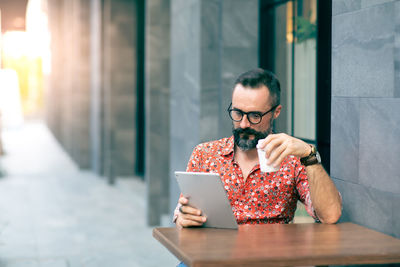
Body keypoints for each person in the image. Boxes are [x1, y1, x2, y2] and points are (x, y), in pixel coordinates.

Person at [174, 68, 342, 228]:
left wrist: (309, 155)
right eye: (237, 113)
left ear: (276, 112)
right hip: (213, 253)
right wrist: (183, 216)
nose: (244, 124)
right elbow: (183, 213)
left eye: (255, 116)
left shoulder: (293, 160)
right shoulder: (205, 154)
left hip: (268, 254)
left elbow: (330, 215)